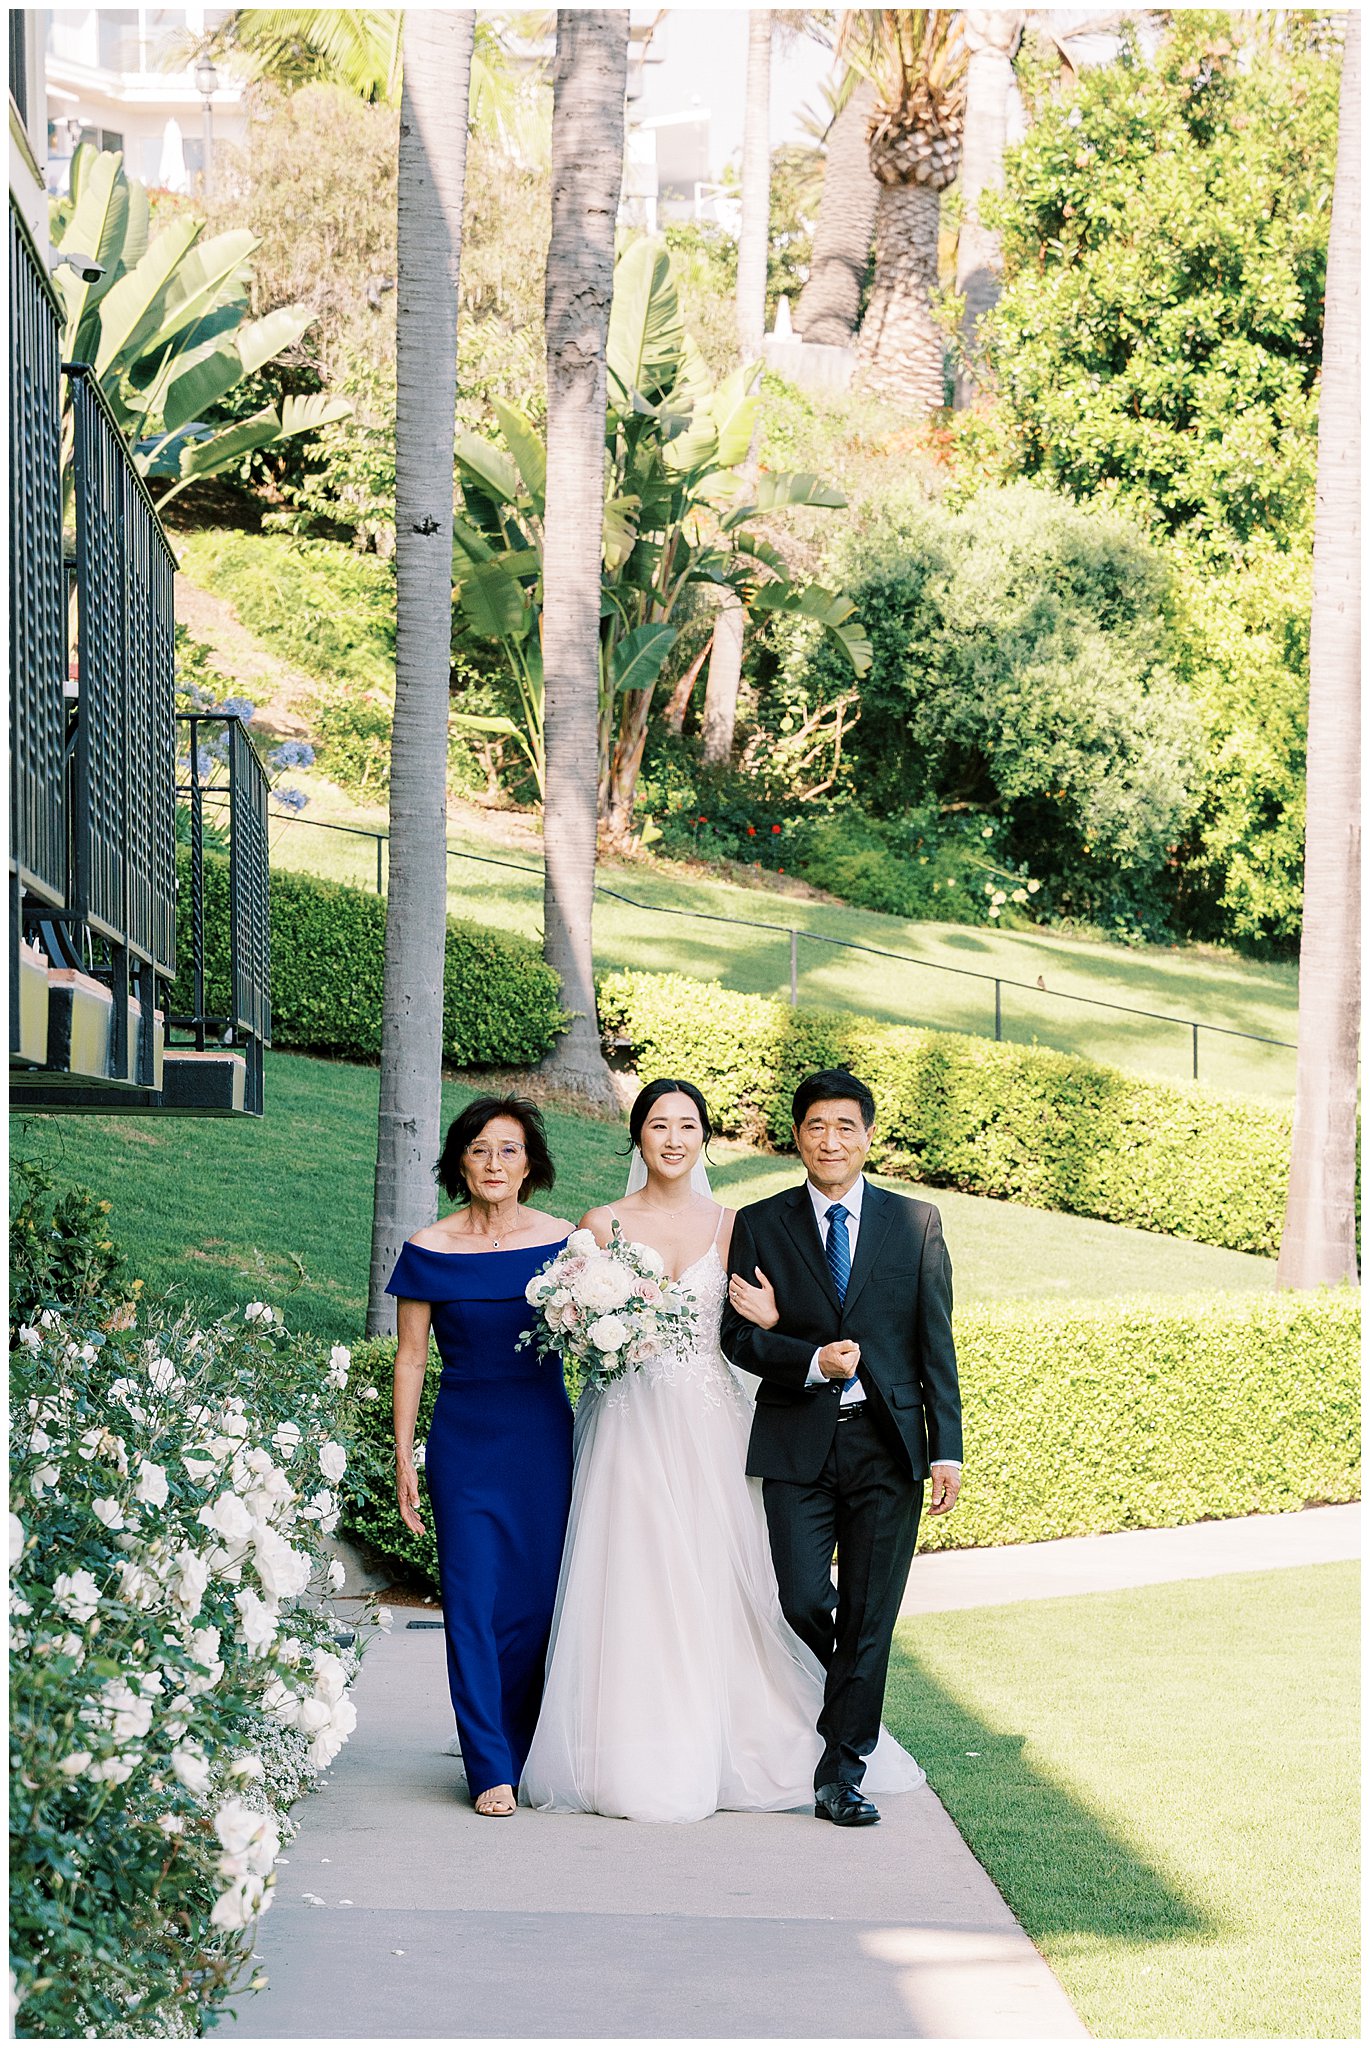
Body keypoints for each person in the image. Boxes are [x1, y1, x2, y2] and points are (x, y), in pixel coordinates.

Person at [520, 1078, 922, 1823]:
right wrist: (586, 1324)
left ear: (704, 1137)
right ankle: (636, 1748)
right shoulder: (601, 1224)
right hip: (630, 1425)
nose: (673, 1139)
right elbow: (572, 1322)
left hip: (712, 1422)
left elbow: (787, 1320)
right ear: (637, 1137)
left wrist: (777, 1320)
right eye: (658, 1125)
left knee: (731, 1583)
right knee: (634, 1578)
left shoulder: (736, 1224)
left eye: (688, 1125)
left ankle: (766, 1731)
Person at [720, 1068, 963, 1828]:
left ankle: (840, 1773)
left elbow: (935, 1343)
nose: (831, 1140)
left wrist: (945, 1448)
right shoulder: (759, 1223)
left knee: (870, 1613)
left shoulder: (915, 1223)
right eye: (816, 1126)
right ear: (796, 1137)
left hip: (889, 1448)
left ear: (867, 1137)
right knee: (801, 1597)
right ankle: (853, 1681)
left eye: (846, 1127)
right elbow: (736, 1336)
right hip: (798, 1441)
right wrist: (808, 1356)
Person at [387, 1097, 574, 1818]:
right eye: (479, 1150)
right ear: (458, 1162)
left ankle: (525, 1747)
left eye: (510, 1150)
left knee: (533, 1602)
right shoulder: (428, 1246)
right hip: (464, 1441)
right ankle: (488, 1763)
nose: (494, 1164)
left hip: (543, 1438)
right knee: (472, 1598)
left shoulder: (568, 1243)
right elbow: (409, 1360)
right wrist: (406, 1456)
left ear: (532, 1165)